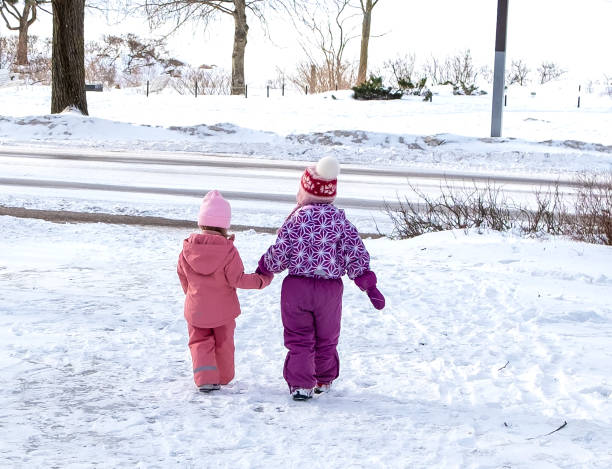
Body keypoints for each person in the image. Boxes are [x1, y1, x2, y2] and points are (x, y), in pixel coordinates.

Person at [256, 156, 385, 401]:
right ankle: (323, 380)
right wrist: (368, 284)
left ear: (304, 192)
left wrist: (265, 268)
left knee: (299, 338)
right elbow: (354, 252)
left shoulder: (296, 219)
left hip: (297, 288)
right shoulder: (340, 221)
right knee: (327, 337)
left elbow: (281, 251)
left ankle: (301, 385)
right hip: (329, 291)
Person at [177, 190, 273, 393]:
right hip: (223, 312)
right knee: (224, 343)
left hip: (196, 310)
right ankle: (223, 376)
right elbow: (238, 279)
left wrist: (191, 294)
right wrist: (262, 280)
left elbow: (183, 276)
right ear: (225, 224)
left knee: (199, 343)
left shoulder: (187, 250)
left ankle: (205, 378)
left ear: (201, 222)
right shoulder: (228, 251)